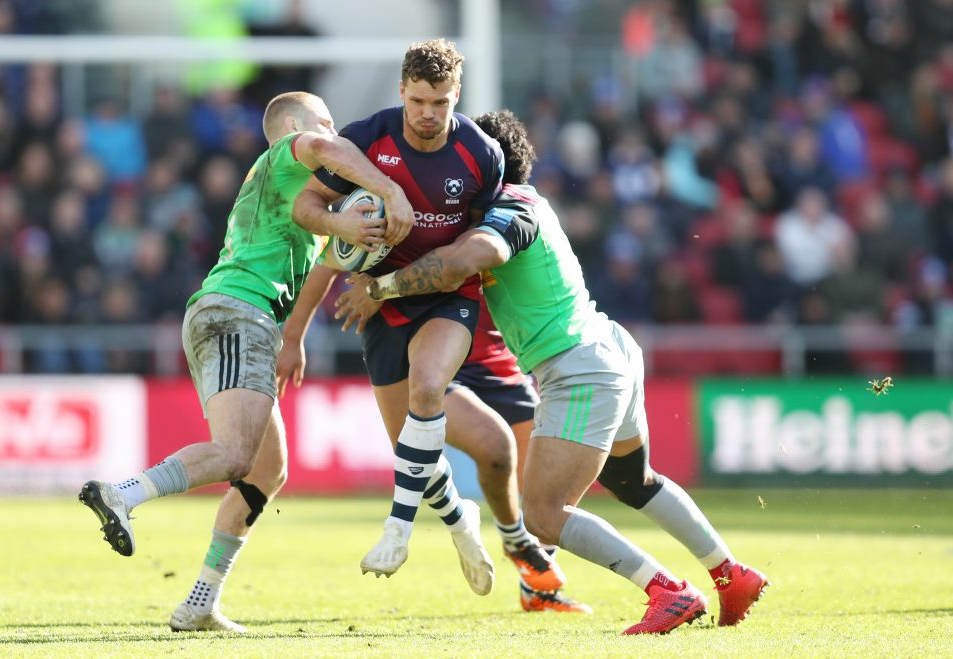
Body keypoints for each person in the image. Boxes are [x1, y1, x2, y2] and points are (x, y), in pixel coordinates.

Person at [336, 109, 770, 635]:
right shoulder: (517, 203)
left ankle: (668, 591)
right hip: (607, 348)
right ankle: (732, 574)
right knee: (633, 481)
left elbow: (462, 262)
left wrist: (379, 288)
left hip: (578, 368)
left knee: (543, 513)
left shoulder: (510, 206)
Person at [78, 90, 415, 632]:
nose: (333, 134)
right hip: (240, 313)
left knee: (266, 471)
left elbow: (328, 246)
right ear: (291, 128)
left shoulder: (291, 195)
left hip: (236, 317)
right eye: (323, 123)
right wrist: (391, 189)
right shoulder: (288, 152)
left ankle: (201, 600)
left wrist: (294, 336)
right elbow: (326, 147)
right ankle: (123, 494)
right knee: (236, 455)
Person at [292, 39, 504, 593]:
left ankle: (397, 527)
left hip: (447, 297)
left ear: (457, 95)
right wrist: (342, 229)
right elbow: (305, 207)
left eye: (440, 102)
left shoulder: (481, 156)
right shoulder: (367, 139)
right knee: (414, 447)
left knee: (428, 388)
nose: (428, 114)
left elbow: (476, 248)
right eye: (417, 102)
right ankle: (462, 523)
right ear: (401, 93)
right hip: (377, 303)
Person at [279, 273, 591, 613]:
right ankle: (510, 537)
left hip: (499, 361)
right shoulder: (411, 223)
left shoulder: (501, 221)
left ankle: (537, 587)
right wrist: (294, 336)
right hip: (435, 359)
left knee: (542, 479)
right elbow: (332, 260)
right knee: (489, 449)